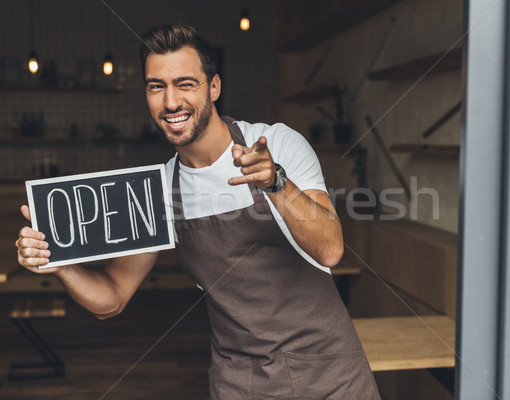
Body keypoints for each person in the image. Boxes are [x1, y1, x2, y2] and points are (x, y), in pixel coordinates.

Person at [15, 23, 380, 399]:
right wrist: (59, 263)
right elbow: (112, 298)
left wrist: (276, 183)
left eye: (186, 83)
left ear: (215, 87)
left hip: (332, 376)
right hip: (242, 382)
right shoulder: (156, 191)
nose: (171, 102)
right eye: (157, 86)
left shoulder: (279, 144)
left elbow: (330, 249)